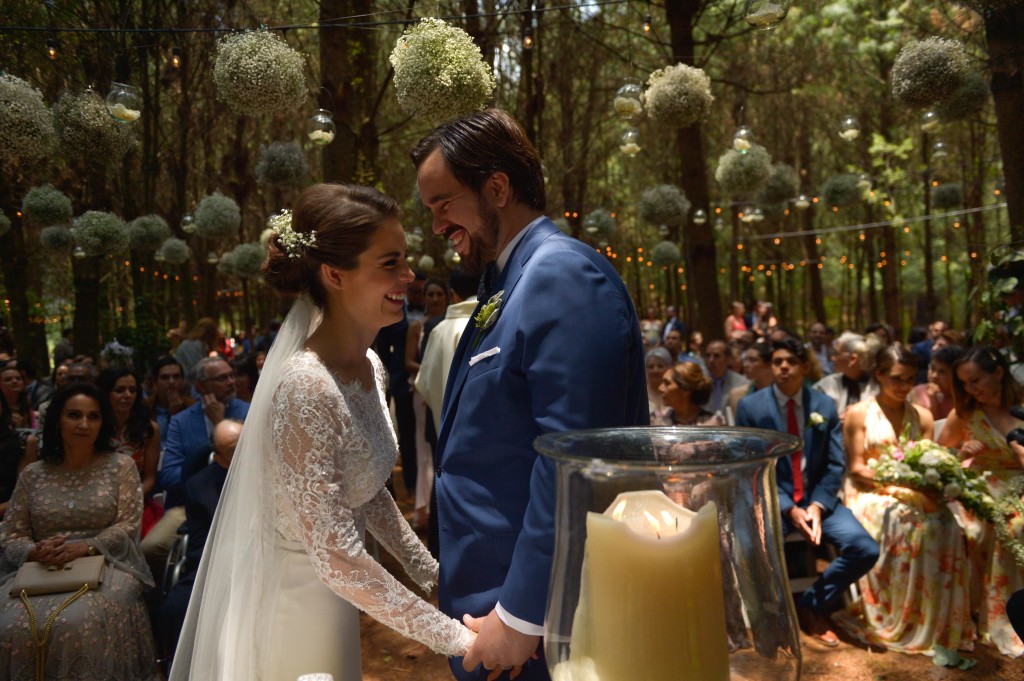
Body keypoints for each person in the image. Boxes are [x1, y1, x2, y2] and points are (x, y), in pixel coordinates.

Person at [171, 183, 475, 681]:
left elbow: (365, 490)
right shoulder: (304, 387)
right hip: (292, 608)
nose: (409, 276)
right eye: (390, 263)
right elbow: (338, 557)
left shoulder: (371, 366)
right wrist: (457, 638)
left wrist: (431, 573)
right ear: (335, 274)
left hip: (337, 600)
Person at [412, 109, 648, 680]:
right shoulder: (508, 280)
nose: (438, 226)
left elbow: (575, 461)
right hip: (490, 602)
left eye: (444, 203)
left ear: (496, 188)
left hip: (550, 624)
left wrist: (521, 614)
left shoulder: (561, 275)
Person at [0, 383, 157, 679]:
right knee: (9, 624)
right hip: (38, 567)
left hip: (109, 561)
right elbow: (11, 534)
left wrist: (86, 546)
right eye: (74, 415)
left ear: (103, 422)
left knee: (75, 621)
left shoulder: (120, 466)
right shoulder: (33, 474)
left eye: (93, 416)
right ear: (58, 420)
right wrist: (34, 550)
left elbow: (128, 525)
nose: (84, 424)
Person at [735, 337, 879, 648]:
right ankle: (769, 617)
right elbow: (752, 468)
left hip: (819, 500)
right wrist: (788, 508)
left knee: (864, 548)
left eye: (790, 362)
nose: (783, 367)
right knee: (747, 546)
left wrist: (816, 506)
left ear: (803, 366)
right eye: (777, 362)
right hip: (771, 500)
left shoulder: (823, 405)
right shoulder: (750, 407)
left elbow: (834, 464)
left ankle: (812, 604)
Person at [835, 346, 973, 654]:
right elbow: (857, 468)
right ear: (879, 375)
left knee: (947, 524)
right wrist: (899, 482)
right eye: (897, 378)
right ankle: (897, 611)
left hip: (912, 489)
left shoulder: (922, 416)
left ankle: (933, 616)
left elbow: (926, 463)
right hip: (868, 489)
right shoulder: (859, 413)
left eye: (910, 379)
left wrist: (926, 484)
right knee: (906, 523)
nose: (904, 386)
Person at [938, 345, 1024, 657]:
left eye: (976, 380)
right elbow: (938, 453)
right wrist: (961, 454)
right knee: (1002, 525)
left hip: (1021, 484)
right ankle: (997, 615)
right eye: (964, 384)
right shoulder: (964, 414)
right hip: (982, 488)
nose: (971, 389)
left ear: (998, 372)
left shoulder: (1022, 405)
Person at [144, 357, 249, 580]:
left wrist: (221, 423)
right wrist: (202, 482)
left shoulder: (249, 412)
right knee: (150, 548)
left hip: (243, 502)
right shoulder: (181, 421)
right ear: (201, 386)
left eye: (232, 375)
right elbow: (170, 475)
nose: (231, 381)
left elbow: (252, 465)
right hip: (191, 505)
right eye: (222, 378)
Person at [159, 419, 241, 661]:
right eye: (234, 451)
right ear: (220, 459)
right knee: (175, 610)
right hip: (217, 561)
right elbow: (200, 546)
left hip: (270, 558)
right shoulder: (200, 487)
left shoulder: (274, 472)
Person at [98, 367, 163, 539]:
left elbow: (150, 478)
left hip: (135, 501)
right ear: (106, 393)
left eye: (132, 390)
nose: (127, 395)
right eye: (120, 390)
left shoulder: (149, 430)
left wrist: (128, 500)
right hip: (96, 502)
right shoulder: (94, 428)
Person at [814, 331, 879, 421]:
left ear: (853, 359)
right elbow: (814, 418)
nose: (833, 358)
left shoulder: (878, 387)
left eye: (836, 354)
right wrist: (833, 421)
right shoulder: (825, 386)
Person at [653, 361, 725, 426]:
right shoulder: (657, 420)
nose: (660, 388)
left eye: (667, 383)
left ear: (685, 389)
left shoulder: (714, 423)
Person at [145, 356, 195, 447]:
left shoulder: (192, 407)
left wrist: (178, 415)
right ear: (155, 382)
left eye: (176, 377)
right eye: (165, 378)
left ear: (182, 380)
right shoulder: (144, 407)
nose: (171, 382)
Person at [910, 343, 963, 425]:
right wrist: (933, 403)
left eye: (942, 372)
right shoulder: (919, 393)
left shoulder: (964, 398)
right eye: (932, 368)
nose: (934, 376)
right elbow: (921, 427)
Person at [725, 341, 774, 424]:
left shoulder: (782, 392)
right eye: (745, 360)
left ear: (769, 365)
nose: (745, 365)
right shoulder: (737, 395)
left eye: (752, 360)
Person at [702, 339, 747, 414]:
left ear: (728, 359)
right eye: (708, 355)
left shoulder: (742, 383)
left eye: (716, 356)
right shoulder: (698, 381)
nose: (711, 360)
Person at [0, 363, 36, 430]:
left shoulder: (26, 405)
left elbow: (35, 429)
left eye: (18, 379)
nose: (14, 381)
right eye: (8, 380)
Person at [645, 347, 673, 424]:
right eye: (651, 367)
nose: (655, 370)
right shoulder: (640, 396)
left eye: (660, 366)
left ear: (669, 368)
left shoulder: (674, 394)